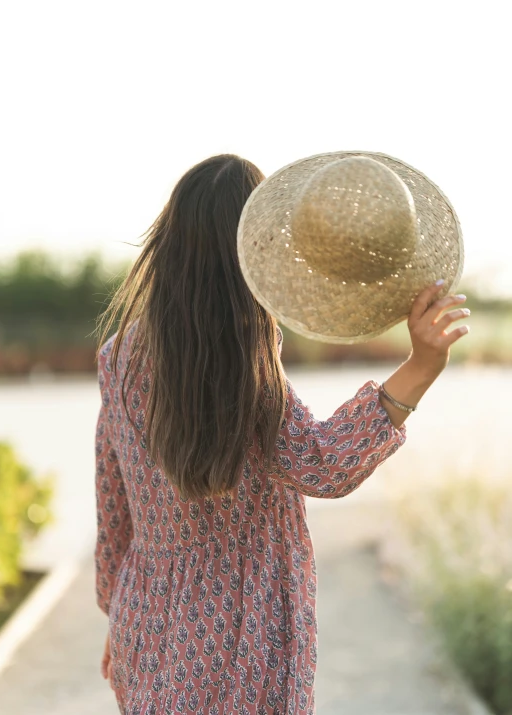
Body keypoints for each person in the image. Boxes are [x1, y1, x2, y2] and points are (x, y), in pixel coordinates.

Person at [93, 154, 470, 715]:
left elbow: (111, 500)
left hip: (145, 620)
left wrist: (120, 612)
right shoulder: (241, 361)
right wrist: (420, 368)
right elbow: (321, 464)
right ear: (252, 250)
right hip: (240, 633)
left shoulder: (118, 354)